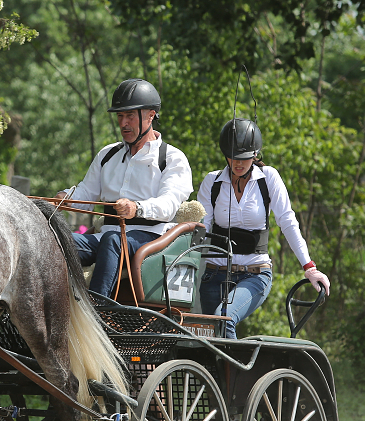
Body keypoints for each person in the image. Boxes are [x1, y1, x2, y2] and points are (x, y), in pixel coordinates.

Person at [197, 118, 331, 339]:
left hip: (254, 274)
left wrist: (309, 267)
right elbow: (201, 229)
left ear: (255, 155)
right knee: (208, 335)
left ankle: (236, 374)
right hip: (214, 274)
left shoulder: (268, 178)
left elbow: (287, 221)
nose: (238, 163)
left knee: (224, 319)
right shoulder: (212, 182)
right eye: (233, 157)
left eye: (245, 158)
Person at [64, 78, 193, 298]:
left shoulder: (172, 158)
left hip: (150, 241)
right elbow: (86, 192)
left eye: (130, 116)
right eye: (120, 116)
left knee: (113, 240)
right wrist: (65, 198)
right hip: (108, 239)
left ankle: (97, 311)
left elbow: (169, 204)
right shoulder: (107, 155)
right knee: (55, 237)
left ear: (150, 116)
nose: (123, 123)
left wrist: (137, 208)